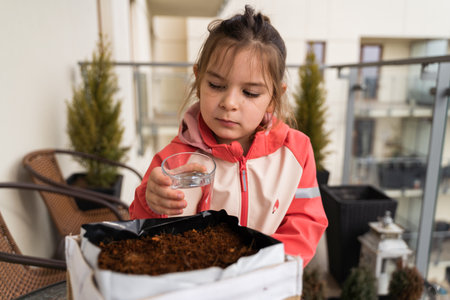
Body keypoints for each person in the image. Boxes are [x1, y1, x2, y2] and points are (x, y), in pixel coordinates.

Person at [130, 5, 328, 266]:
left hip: (264, 284)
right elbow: (141, 232)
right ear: (199, 79)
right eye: (216, 85)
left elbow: (305, 223)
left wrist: (265, 267)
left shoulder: (297, 151)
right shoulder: (174, 160)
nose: (229, 102)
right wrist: (150, 201)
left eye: (250, 93)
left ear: (273, 98)